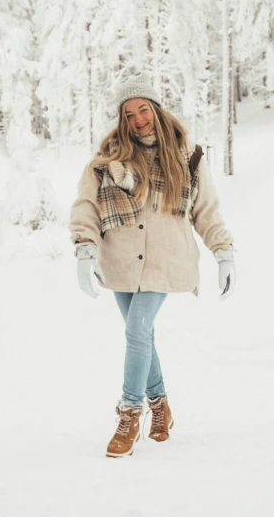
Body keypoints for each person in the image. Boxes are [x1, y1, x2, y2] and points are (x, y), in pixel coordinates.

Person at [69, 71, 235, 458]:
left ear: (156, 109)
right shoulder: (106, 162)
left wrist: (223, 252)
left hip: (166, 259)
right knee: (139, 334)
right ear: (122, 120)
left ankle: (129, 415)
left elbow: (206, 211)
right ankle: (161, 406)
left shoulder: (187, 157)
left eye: (143, 109)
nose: (138, 119)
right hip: (122, 261)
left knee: (138, 328)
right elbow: (87, 206)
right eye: (129, 114)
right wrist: (84, 248)